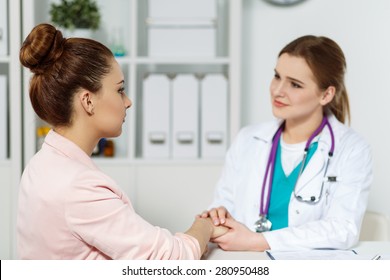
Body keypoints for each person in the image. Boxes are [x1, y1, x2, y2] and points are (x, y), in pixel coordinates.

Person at [17, 23, 227, 260]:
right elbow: (171, 259)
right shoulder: (79, 187)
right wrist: (205, 225)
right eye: (120, 90)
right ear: (87, 101)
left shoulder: (41, 164)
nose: (127, 101)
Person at [201, 35, 373, 252]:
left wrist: (258, 241)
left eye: (295, 84)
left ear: (326, 94)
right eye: (277, 76)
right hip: (246, 264)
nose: (278, 90)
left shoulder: (352, 149)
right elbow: (224, 204)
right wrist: (218, 216)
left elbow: (342, 229)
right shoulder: (248, 139)